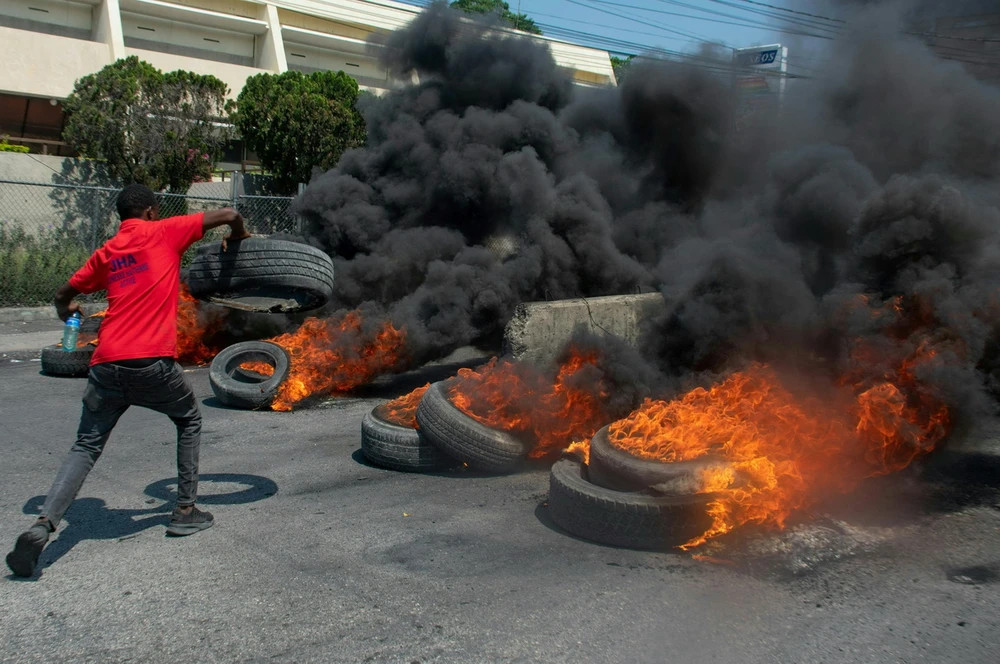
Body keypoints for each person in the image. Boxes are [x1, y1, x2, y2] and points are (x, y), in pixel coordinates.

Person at [6, 184, 250, 578]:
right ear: (152, 211)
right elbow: (227, 214)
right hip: (151, 362)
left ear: (122, 215)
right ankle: (185, 510)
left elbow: (63, 292)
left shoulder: (108, 252)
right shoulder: (164, 231)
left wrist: (66, 310)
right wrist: (239, 236)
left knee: (85, 445)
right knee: (188, 419)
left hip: (105, 365)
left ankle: (43, 525)